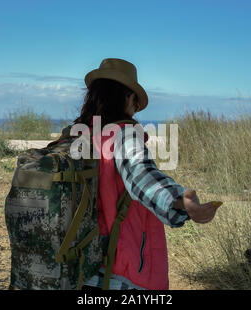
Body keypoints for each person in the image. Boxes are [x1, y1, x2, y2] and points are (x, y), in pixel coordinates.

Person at [74, 58, 222, 290]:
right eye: (135, 102)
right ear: (127, 97)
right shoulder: (124, 134)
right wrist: (179, 200)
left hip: (78, 263)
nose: (135, 110)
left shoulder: (77, 136)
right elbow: (141, 177)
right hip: (118, 269)